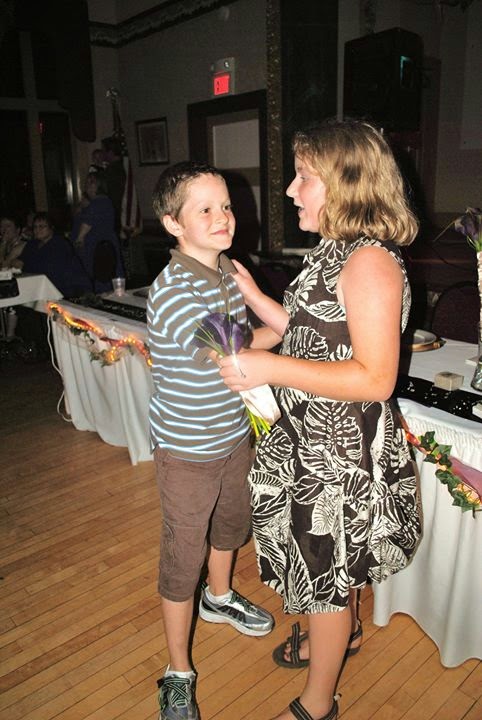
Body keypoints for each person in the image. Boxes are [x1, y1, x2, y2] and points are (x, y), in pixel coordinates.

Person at [217, 119, 422, 720]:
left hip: (341, 454)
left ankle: (317, 705)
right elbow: (312, 334)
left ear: (346, 184)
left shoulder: (370, 264)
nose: (290, 190)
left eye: (304, 177)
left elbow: (375, 377)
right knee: (322, 567)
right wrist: (257, 300)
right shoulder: (337, 251)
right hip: (311, 441)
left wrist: (269, 370)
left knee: (326, 578)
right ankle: (343, 636)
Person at [147, 161, 274, 720]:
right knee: (183, 554)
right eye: (206, 209)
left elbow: (246, 342)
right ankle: (178, 672)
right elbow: (236, 356)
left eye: (226, 206)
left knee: (230, 526)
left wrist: (261, 310)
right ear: (172, 223)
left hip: (232, 433)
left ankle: (219, 599)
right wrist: (293, 325)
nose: (224, 217)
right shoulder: (173, 291)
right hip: (187, 450)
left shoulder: (225, 272)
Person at [71, 171, 123, 293]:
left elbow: (87, 224)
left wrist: (79, 238)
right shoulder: (90, 204)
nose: (88, 185)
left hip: (98, 249)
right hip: (92, 250)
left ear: (100, 185)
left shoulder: (100, 202)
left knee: (102, 282)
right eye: (87, 182)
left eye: (92, 182)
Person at [19, 212, 83, 296]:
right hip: (35, 287)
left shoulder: (60, 244)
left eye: (42, 226)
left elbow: (54, 272)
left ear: (51, 227)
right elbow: (20, 263)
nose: (37, 230)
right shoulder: (32, 244)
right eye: (35, 227)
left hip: (58, 289)